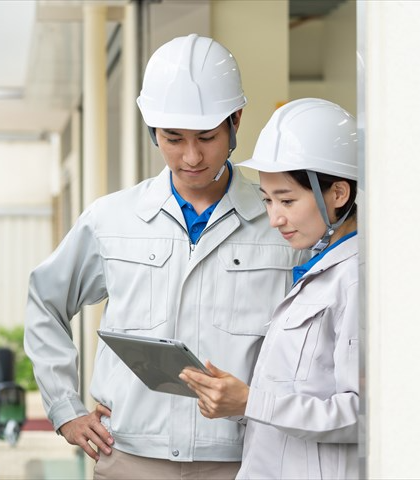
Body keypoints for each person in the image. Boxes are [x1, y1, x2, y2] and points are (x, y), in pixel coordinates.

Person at [24, 34, 304, 479]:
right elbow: (46, 301)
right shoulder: (111, 218)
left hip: (242, 460)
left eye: (207, 138)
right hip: (130, 458)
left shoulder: (280, 224)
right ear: (152, 129)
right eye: (173, 139)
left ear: (236, 121)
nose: (191, 157)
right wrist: (65, 407)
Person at [179, 98, 359, 479]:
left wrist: (250, 402)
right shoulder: (316, 270)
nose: (274, 218)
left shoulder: (357, 280)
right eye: (267, 200)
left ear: (339, 194)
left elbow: (360, 414)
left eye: (287, 200)